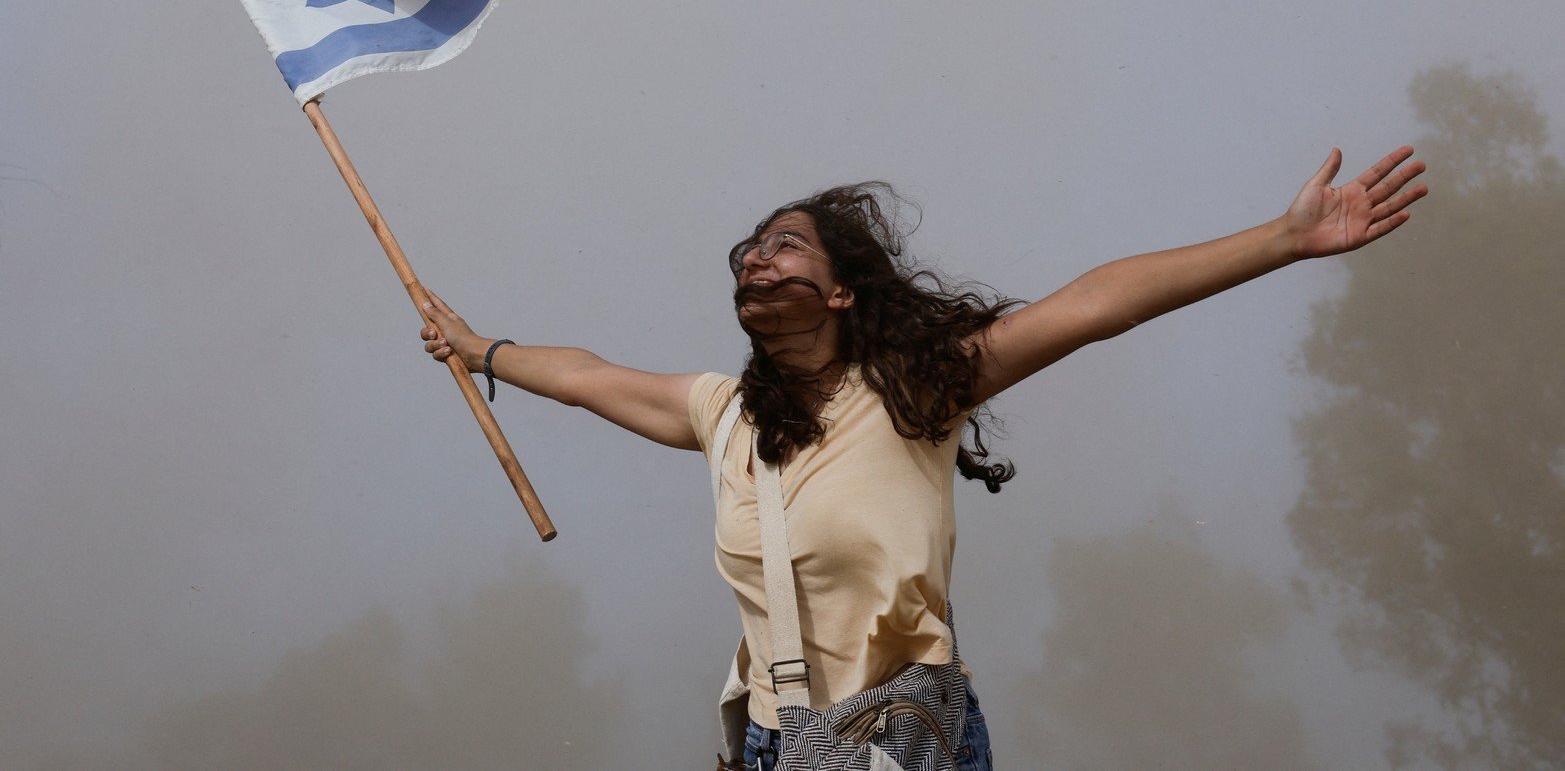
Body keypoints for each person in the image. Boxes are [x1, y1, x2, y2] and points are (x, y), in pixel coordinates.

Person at [418, 146, 1428, 770]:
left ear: (845, 289)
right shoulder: (717, 413)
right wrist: (479, 349)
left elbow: (1094, 304)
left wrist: (1281, 239)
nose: (755, 260)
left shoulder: (914, 390)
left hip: (902, 743)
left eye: (781, 246)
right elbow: (587, 374)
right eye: (745, 257)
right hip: (776, 751)